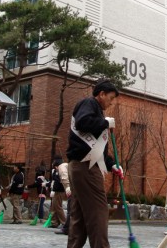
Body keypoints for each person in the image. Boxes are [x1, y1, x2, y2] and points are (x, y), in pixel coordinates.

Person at [66, 79, 124, 248]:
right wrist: (105, 123)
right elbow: (82, 123)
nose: (111, 102)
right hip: (86, 168)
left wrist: (112, 164)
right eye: (110, 98)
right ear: (102, 94)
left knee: (80, 217)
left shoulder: (94, 109)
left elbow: (97, 149)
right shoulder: (89, 103)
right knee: (98, 212)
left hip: (81, 165)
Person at [49, 156, 66, 228]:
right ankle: (54, 222)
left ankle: (64, 222)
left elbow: (60, 181)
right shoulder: (56, 171)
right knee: (54, 207)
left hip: (60, 190)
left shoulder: (61, 170)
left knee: (58, 207)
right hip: (56, 190)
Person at [54, 160, 70, 235]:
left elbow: (64, 177)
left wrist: (67, 187)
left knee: (69, 208)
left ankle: (65, 224)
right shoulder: (68, 165)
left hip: (67, 190)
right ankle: (58, 222)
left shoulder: (62, 167)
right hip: (74, 188)